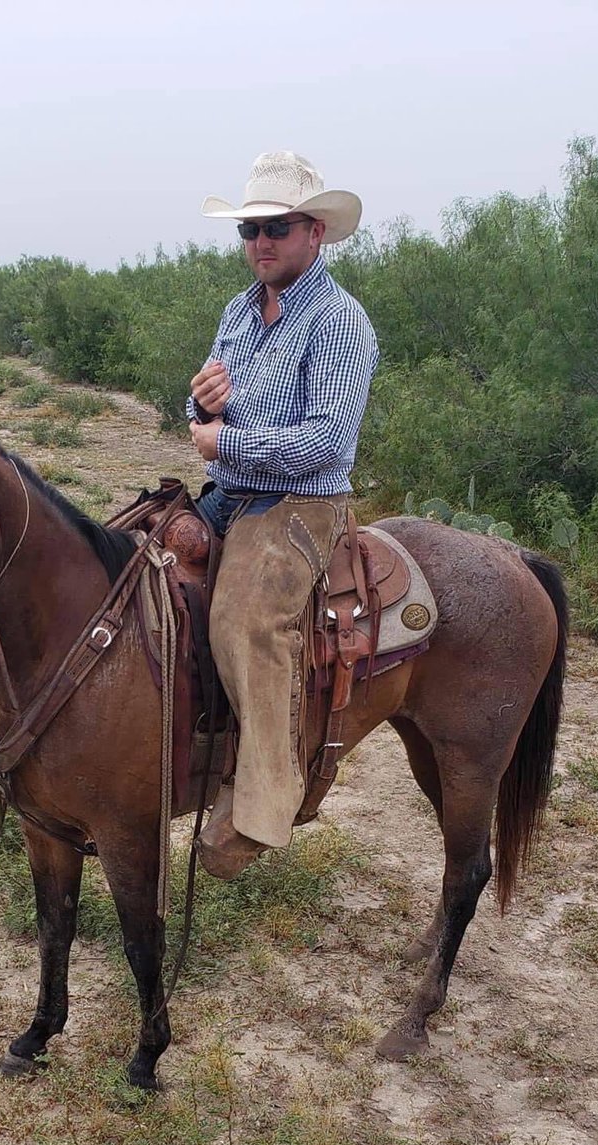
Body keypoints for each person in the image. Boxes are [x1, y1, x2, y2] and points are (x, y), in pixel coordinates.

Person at [187, 150, 379, 880]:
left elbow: (325, 442)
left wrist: (223, 438)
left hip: (301, 503)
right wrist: (201, 406)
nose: (259, 243)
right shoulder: (238, 311)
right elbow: (209, 406)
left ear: (314, 234)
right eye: (249, 230)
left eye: (276, 227)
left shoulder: (337, 321)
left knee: (247, 618)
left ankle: (262, 809)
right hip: (231, 488)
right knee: (126, 560)